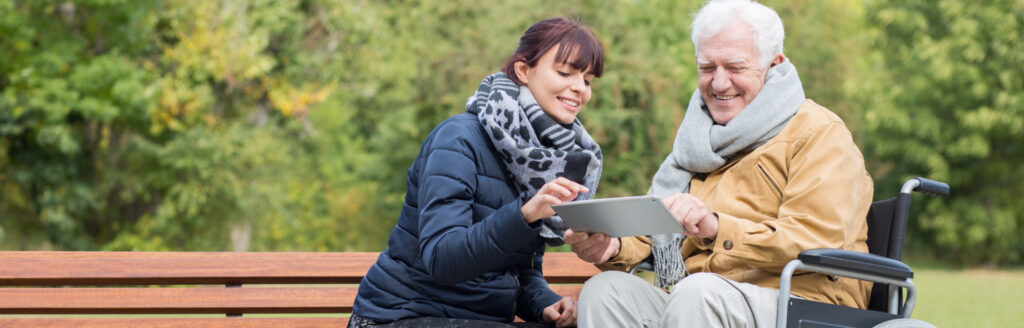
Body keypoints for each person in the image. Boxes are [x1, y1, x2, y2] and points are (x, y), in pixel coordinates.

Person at [564, 0, 873, 327]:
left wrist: (716, 227)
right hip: (700, 297)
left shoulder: (818, 133)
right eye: (707, 68)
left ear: (774, 63)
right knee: (606, 291)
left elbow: (815, 238)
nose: (719, 83)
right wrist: (611, 247)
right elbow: (654, 233)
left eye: (735, 67)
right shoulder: (697, 142)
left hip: (804, 302)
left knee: (697, 292)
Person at [350, 17, 605, 328]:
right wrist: (523, 215)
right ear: (523, 71)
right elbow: (441, 260)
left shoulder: (543, 161)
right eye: (565, 72)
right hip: (400, 317)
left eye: (588, 79)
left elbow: (521, 276)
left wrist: (547, 305)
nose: (579, 88)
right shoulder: (458, 139)